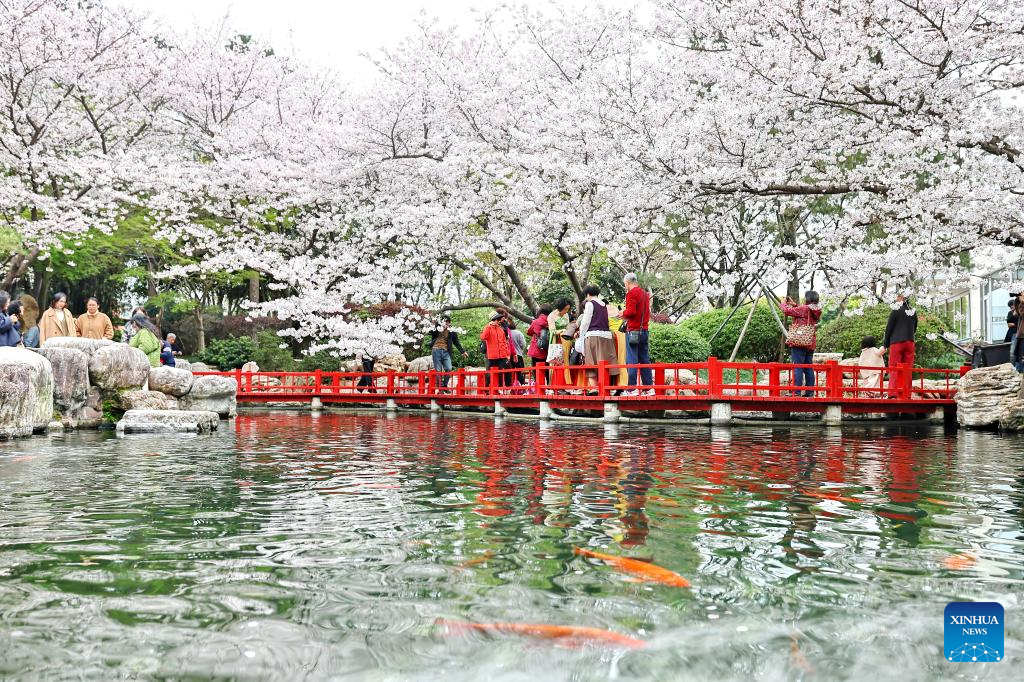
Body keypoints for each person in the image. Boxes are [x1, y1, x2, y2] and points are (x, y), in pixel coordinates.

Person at [577, 284, 619, 393]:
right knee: (605, 364)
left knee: (591, 364)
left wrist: (581, 336)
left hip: (593, 336)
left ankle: (595, 389)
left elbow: (585, 322)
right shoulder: (604, 305)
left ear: (588, 294)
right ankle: (606, 389)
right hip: (606, 337)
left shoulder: (590, 304)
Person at [781, 291, 822, 397]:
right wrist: (794, 304)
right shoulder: (816, 309)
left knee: (798, 366)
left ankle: (796, 392)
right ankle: (809, 392)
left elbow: (786, 311)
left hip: (799, 342)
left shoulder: (804, 309)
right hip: (810, 342)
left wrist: (783, 303)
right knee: (808, 366)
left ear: (807, 299)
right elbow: (802, 311)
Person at [620, 273, 653, 396]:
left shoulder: (631, 293)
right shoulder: (645, 294)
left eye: (625, 284)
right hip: (644, 330)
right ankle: (648, 388)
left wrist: (621, 313)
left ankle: (631, 389)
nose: (625, 287)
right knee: (644, 359)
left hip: (633, 331)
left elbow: (631, 312)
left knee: (631, 359)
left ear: (628, 282)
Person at [882, 293, 919, 395]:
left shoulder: (895, 310)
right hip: (910, 342)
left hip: (897, 342)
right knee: (908, 368)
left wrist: (886, 343)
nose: (896, 298)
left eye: (898, 296)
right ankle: (906, 393)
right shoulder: (913, 311)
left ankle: (892, 393)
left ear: (902, 298)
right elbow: (915, 327)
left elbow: (889, 328)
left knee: (894, 367)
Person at [429, 317, 468, 388]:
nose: (446, 323)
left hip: (446, 351)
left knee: (449, 368)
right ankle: (440, 388)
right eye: (445, 322)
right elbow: (430, 332)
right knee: (438, 370)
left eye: (448, 322)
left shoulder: (452, 331)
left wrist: (463, 352)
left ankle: (444, 386)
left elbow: (456, 342)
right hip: (436, 350)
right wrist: (438, 326)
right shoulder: (437, 328)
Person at [480, 311, 511, 389]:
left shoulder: (501, 330)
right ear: (493, 320)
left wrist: (507, 354)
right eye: (497, 320)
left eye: (498, 320)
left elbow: (504, 343)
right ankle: (486, 389)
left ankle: (499, 389)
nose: (498, 321)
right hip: (491, 356)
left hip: (502, 356)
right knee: (489, 374)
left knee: (500, 373)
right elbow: (483, 337)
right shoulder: (488, 328)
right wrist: (488, 326)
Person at [507, 318, 527, 386]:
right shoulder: (519, 333)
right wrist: (520, 349)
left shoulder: (506, 333)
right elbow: (523, 344)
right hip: (518, 355)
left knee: (509, 372)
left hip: (508, 355)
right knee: (519, 372)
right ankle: (522, 385)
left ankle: (511, 386)